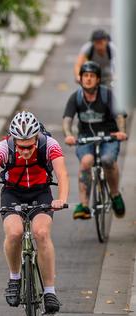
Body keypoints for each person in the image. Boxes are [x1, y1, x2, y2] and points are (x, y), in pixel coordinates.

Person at [0, 111, 69, 314]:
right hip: (13, 194)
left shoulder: (49, 145)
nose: (25, 151)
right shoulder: (3, 148)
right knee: (14, 233)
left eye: (29, 146)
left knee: (42, 233)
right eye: (21, 146)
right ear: (13, 140)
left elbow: (62, 175)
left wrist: (60, 199)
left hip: (41, 193)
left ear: (37, 138)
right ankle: (14, 278)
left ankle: (50, 291)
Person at [63, 61, 128, 219]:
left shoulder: (107, 95)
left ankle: (115, 195)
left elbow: (119, 115)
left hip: (109, 137)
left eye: (92, 76)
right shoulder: (76, 97)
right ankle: (84, 205)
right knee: (86, 161)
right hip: (86, 138)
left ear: (98, 79)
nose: (88, 79)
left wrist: (121, 132)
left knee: (107, 160)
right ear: (81, 78)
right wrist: (68, 135)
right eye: (85, 76)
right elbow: (67, 119)